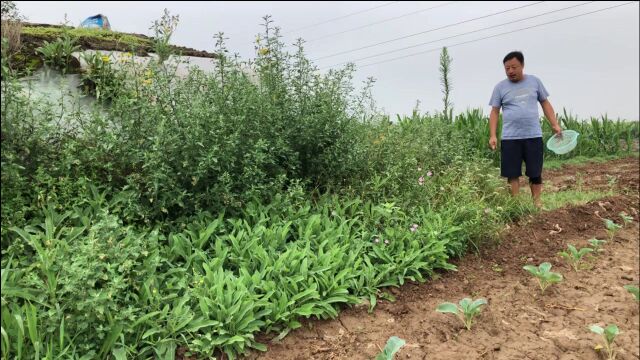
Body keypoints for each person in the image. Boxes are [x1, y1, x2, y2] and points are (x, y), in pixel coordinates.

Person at [488, 51, 562, 208]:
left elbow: (545, 103)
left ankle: (537, 203)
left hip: (533, 135)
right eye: (507, 68)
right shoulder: (500, 87)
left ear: (522, 65)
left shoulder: (534, 82)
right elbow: (494, 111)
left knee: (535, 172)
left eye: (514, 67)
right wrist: (493, 135)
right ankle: (515, 205)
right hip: (510, 138)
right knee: (512, 173)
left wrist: (554, 124)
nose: (510, 71)